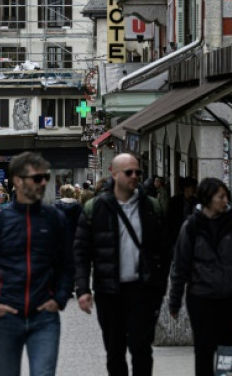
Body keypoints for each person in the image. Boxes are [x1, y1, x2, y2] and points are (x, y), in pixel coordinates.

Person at [0, 151, 73, 376]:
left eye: (45, 177)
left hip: (44, 317)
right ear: (17, 180)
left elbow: (67, 264)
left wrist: (59, 298)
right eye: (37, 178)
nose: (43, 183)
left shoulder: (54, 219)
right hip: (6, 316)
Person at [74, 153, 170, 376]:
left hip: (142, 290)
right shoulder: (95, 208)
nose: (134, 176)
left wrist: (159, 285)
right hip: (109, 291)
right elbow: (81, 252)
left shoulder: (151, 206)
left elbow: (164, 249)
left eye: (138, 172)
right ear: (114, 174)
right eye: (129, 172)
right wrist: (83, 289)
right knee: (114, 351)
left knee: (141, 348)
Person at [168, 178, 232, 376]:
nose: (225, 201)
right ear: (208, 198)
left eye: (226, 196)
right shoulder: (191, 226)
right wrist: (174, 301)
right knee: (203, 349)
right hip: (201, 297)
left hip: (229, 297)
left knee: (227, 349)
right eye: (221, 197)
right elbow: (180, 266)